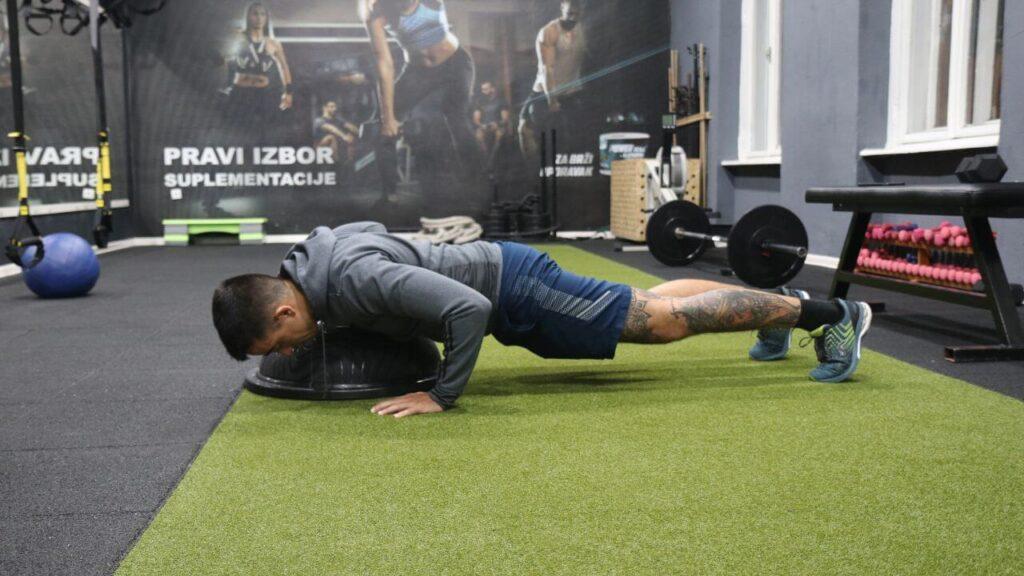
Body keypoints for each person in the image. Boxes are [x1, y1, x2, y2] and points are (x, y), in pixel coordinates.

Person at [212, 222, 873, 419]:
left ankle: (831, 312)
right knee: (655, 301)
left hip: (515, 292)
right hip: (510, 276)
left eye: (281, 341)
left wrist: (441, 393)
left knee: (663, 322)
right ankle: (776, 313)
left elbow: (465, 309)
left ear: (283, 308)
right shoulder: (313, 263)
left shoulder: (351, 279)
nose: (291, 349)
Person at [360, 0, 483, 198]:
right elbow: (384, 64)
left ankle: (478, 184)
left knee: (457, 119)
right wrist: (388, 118)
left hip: (455, 64)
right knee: (380, 125)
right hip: (418, 72)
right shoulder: (376, 11)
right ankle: (388, 195)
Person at [519, 0, 586, 159]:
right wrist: (551, 99)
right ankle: (533, 175)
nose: (573, 18)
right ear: (562, 6)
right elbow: (546, 69)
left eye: (576, 14)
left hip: (572, 91)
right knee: (524, 128)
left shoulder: (584, 28)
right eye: (569, 13)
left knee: (571, 138)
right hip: (547, 91)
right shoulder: (549, 31)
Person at [221, 3, 293, 121]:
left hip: (262, 95)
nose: (259, 18)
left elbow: (284, 68)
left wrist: (288, 92)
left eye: (262, 14)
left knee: (260, 131)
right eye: (255, 14)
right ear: (248, 16)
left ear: (266, 18)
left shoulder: (273, 43)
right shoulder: (238, 37)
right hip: (239, 93)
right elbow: (224, 58)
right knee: (236, 130)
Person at [473, 81, 511, 166]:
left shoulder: (501, 101)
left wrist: (497, 124)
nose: (483, 92)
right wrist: (481, 125)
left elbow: (505, 119)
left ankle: (491, 162)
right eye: (482, 90)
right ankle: (486, 161)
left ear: (493, 89)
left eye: (486, 89)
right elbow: (476, 119)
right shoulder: (479, 102)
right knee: (478, 135)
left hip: (497, 125)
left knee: (499, 135)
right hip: (484, 126)